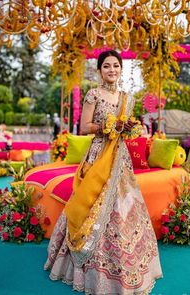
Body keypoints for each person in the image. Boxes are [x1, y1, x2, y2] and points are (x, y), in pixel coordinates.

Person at [44, 50, 162, 294]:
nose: (111, 70)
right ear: (99, 70)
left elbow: (127, 128)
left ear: (121, 69)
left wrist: (128, 128)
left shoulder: (127, 97)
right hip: (99, 155)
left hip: (120, 158)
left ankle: (123, 264)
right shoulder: (93, 94)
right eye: (106, 66)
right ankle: (86, 265)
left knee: (123, 207)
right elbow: (85, 126)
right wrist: (109, 126)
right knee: (90, 203)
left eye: (116, 66)